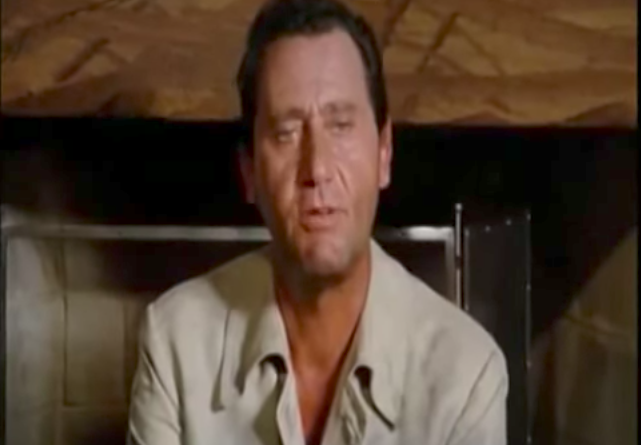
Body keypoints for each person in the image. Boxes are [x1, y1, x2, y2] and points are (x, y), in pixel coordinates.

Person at [127, 0, 508, 444]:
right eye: (286, 133)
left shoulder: (466, 376)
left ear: (384, 152)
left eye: (341, 125)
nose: (317, 168)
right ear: (248, 172)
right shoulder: (174, 343)